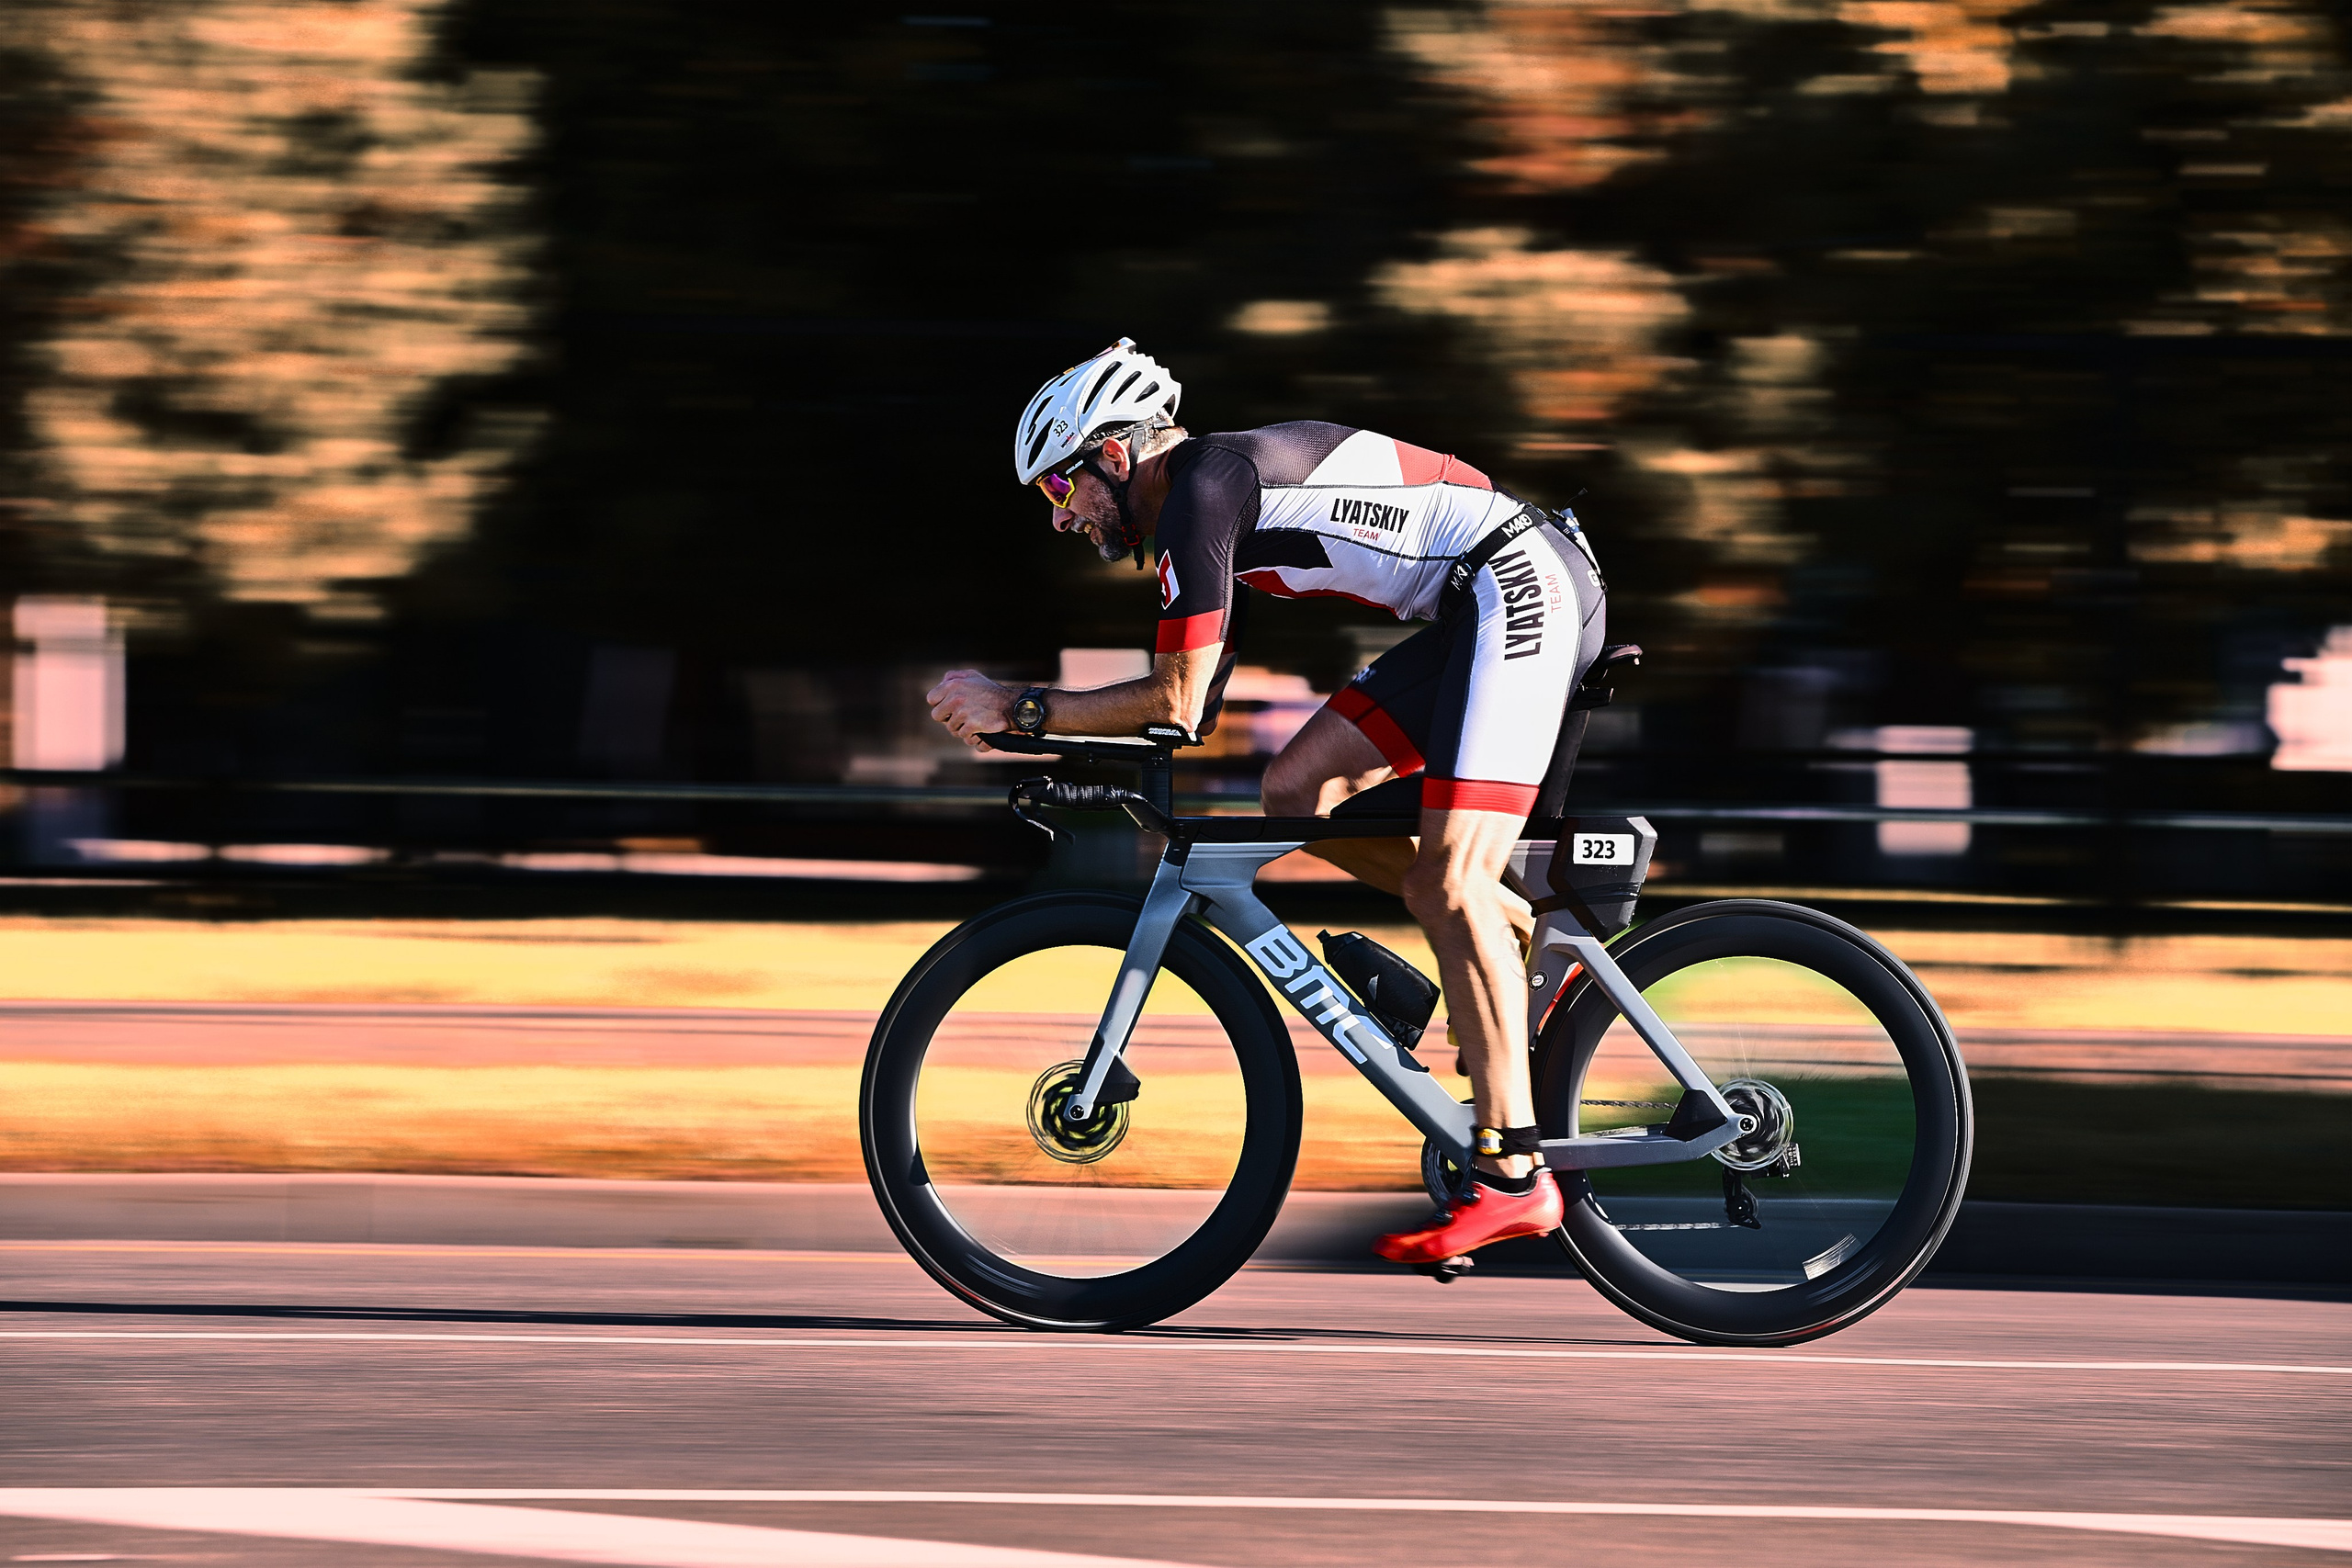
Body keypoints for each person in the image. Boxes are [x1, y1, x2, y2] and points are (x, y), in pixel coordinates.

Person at [927, 337, 1609, 1265]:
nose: (1059, 519)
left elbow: (1172, 702)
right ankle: (1514, 936)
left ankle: (1514, 1174)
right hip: (1472, 601)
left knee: (1447, 880)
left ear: (1115, 455)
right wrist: (1037, 725)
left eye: (1059, 489)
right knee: (1295, 789)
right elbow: (1191, 706)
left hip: (1516, 582)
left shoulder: (1205, 487)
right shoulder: (1204, 503)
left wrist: (1020, 708)